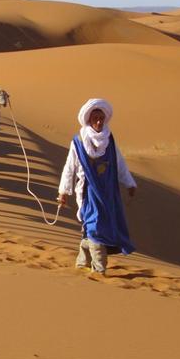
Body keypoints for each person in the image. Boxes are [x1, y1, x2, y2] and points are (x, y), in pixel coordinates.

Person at [57, 98, 136, 275]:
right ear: (88, 120)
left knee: (95, 226)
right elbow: (70, 167)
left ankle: (83, 259)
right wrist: (63, 192)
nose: (99, 122)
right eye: (95, 118)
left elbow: (119, 162)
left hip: (108, 191)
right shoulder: (78, 141)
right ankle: (99, 269)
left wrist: (129, 182)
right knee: (95, 225)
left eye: (101, 118)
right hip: (88, 192)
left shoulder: (109, 139)